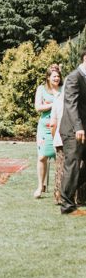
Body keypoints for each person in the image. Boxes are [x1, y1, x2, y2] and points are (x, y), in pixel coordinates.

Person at [59, 49, 86, 215]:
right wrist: (78, 127)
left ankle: (67, 191)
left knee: (75, 169)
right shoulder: (74, 77)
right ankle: (67, 206)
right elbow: (71, 105)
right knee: (73, 165)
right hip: (73, 130)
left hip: (83, 129)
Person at [33, 64, 61, 198]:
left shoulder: (63, 90)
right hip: (44, 128)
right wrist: (53, 103)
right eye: (54, 76)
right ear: (48, 78)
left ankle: (59, 187)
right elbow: (38, 107)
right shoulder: (41, 89)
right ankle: (40, 186)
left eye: (58, 76)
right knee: (42, 156)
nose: (57, 78)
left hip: (60, 127)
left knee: (59, 158)